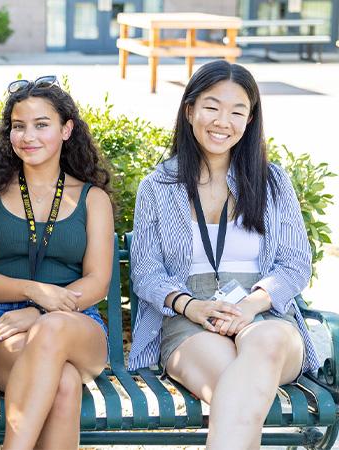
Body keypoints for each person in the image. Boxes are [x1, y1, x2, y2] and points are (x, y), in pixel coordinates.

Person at [128, 60, 318, 449]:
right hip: (190, 318)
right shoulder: (158, 186)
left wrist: (251, 306)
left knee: (261, 350)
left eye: (237, 111)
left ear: (250, 120)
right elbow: (146, 270)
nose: (222, 121)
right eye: (212, 106)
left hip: (267, 312)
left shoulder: (273, 181)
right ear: (190, 110)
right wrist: (189, 306)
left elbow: (295, 264)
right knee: (239, 387)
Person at [0, 75, 113, 450]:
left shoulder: (93, 199)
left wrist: (41, 312)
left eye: (41, 125)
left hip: (77, 322)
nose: (28, 136)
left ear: (66, 129)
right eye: (18, 126)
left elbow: (97, 281)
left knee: (52, 331)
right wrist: (32, 292)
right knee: (62, 384)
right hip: (0, 324)